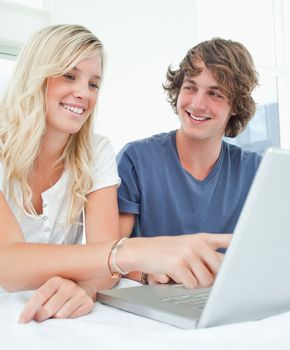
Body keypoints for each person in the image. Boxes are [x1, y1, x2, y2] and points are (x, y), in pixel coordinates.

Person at [0, 25, 231, 323]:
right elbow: (7, 263)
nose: (83, 93)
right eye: (69, 76)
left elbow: (105, 267)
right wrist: (134, 250)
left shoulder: (96, 152)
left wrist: (85, 286)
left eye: (94, 84)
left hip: (45, 312)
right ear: (36, 76)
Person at [117, 38, 261, 285]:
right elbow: (110, 256)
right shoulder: (136, 160)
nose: (197, 104)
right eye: (190, 87)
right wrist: (146, 275)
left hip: (224, 297)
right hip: (154, 296)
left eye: (214, 93)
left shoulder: (255, 171)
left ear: (235, 105)